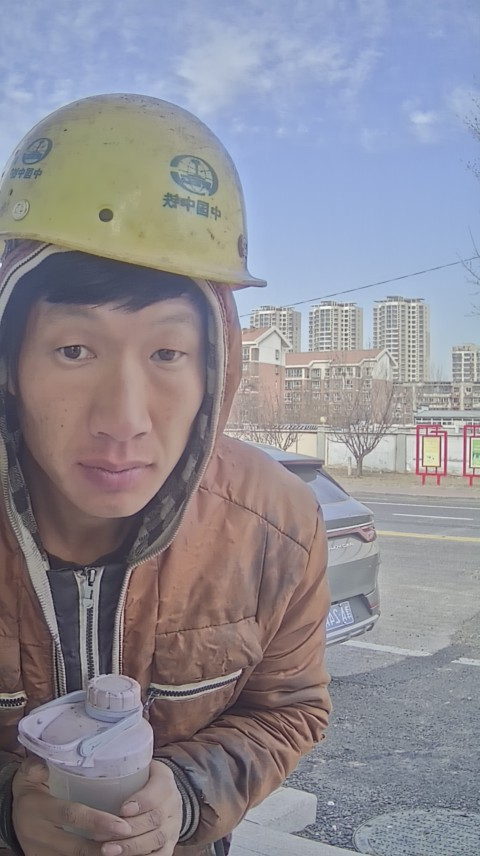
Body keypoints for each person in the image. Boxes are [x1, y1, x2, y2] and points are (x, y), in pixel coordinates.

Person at [0, 94, 331, 856]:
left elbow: (288, 708)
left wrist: (183, 795)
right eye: (74, 350)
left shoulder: (276, 528)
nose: (123, 418)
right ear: (10, 364)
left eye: (166, 353)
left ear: (213, 368)